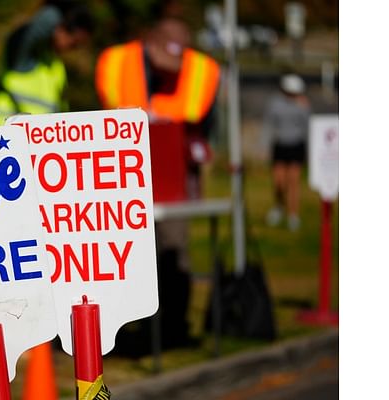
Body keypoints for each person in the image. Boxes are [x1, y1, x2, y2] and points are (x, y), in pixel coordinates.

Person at [95, 15, 220, 352]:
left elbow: (201, 127)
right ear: (149, 44)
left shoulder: (201, 70)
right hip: (123, 177)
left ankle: (173, 326)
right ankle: (130, 329)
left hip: (173, 176)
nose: (169, 72)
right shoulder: (118, 62)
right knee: (128, 256)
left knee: (174, 249)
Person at [0, 2, 93, 127]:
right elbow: (37, 28)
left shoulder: (54, 65)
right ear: (60, 29)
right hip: (3, 136)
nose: (73, 49)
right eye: (74, 43)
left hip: (35, 140)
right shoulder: (24, 56)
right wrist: (62, 9)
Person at [262, 73, 310, 231]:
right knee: (279, 182)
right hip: (280, 145)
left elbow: (308, 125)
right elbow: (269, 123)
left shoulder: (303, 104)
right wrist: (264, 144)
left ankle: (293, 215)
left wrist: (304, 109)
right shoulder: (276, 103)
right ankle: (279, 207)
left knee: (294, 181)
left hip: (296, 145)